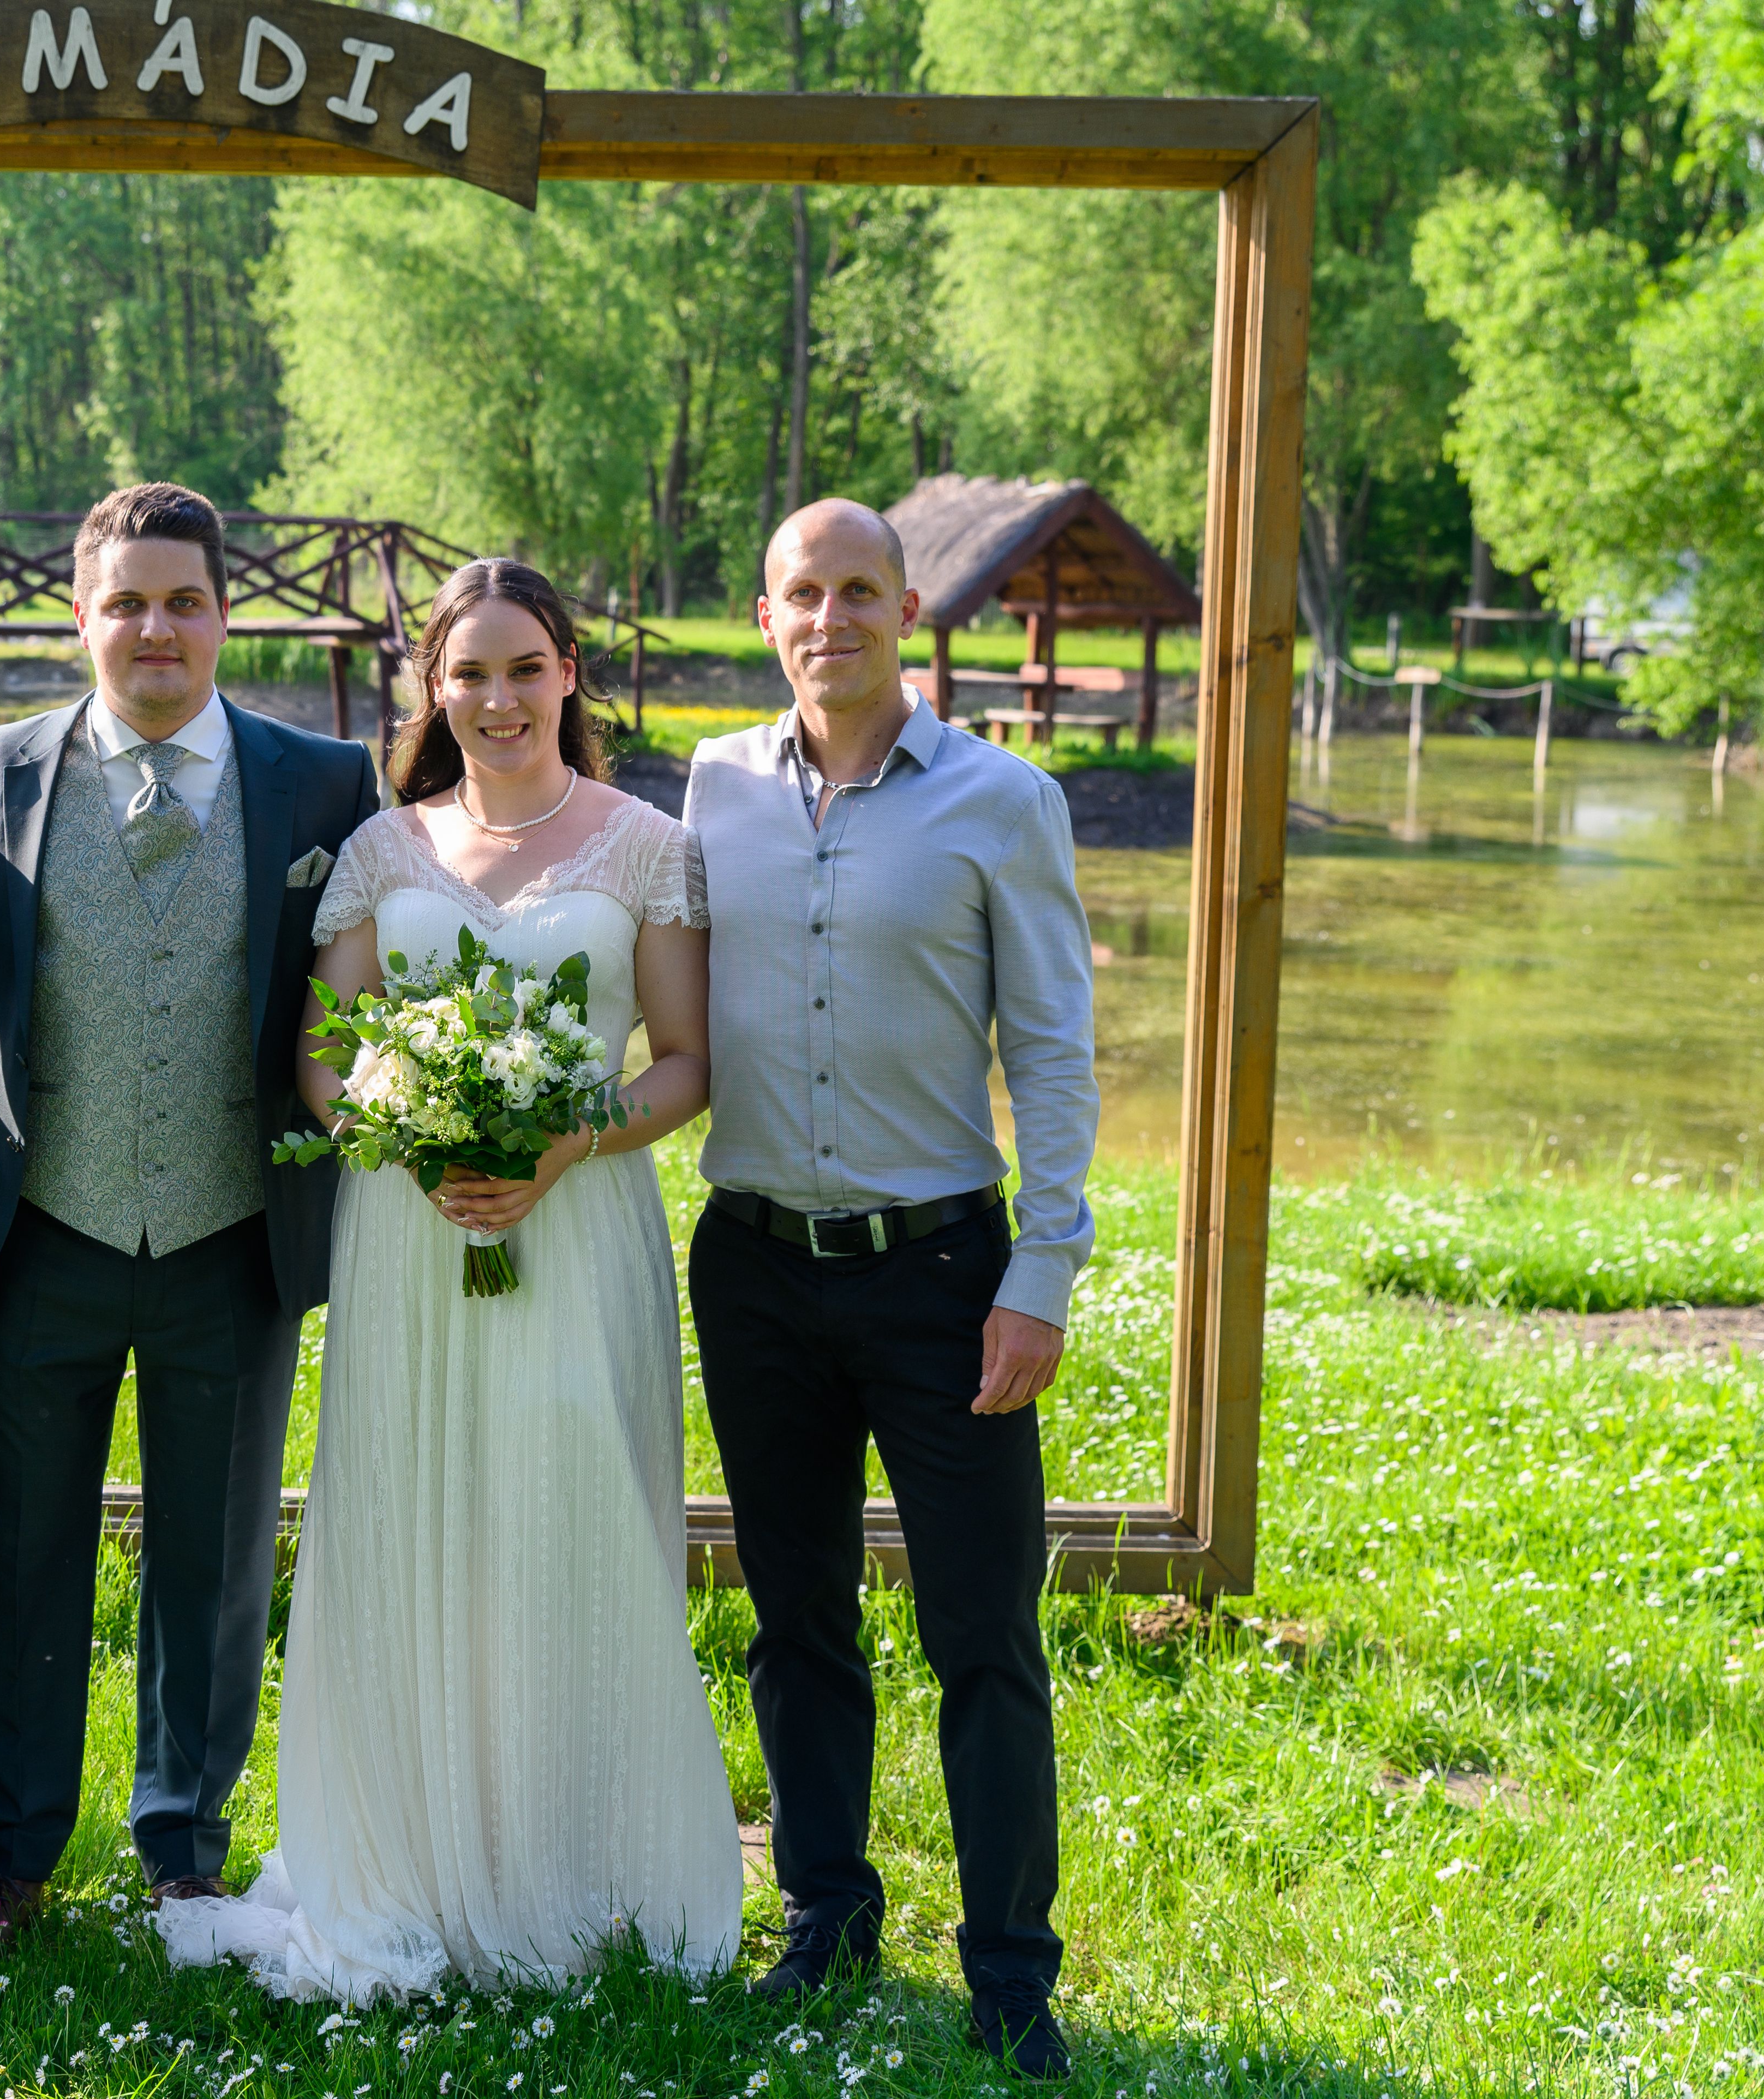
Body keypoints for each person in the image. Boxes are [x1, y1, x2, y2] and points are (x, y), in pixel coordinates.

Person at [154, 557, 744, 2001]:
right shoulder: (384, 848)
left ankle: (575, 1858)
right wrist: (402, 1137)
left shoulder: (648, 847)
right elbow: (321, 1051)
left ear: (568, 676)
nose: (498, 699)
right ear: (434, 690)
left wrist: (561, 1144)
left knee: (568, 1522)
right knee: (418, 1521)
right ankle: (413, 1851)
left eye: (525, 668)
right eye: (468, 673)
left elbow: (686, 1064)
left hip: (579, 1228)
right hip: (411, 1236)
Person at [683, 499, 1098, 2078]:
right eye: (804, 592)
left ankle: (1012, 1977)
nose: (831, 617)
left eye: (861, 589)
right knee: (795, 1617)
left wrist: (1041, 1272)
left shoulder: (1006, 801)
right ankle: (826, 1919)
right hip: (753, 1269)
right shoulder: (712, 787)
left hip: (942, 1275)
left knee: (983, 1631)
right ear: (768, 614)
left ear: (909, 612)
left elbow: (1052, 1049)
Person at [0, 483, 382, 1937]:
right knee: (22, 1552)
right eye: (125, 602)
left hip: (232, 1235)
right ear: (81, 616)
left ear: (225, 615)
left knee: (216, 1558)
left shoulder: (326, 782)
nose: (155, 629)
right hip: (38, 1230)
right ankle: (14, 1846)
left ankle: (183, 1842)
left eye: (184, 601)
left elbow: (368, 983)